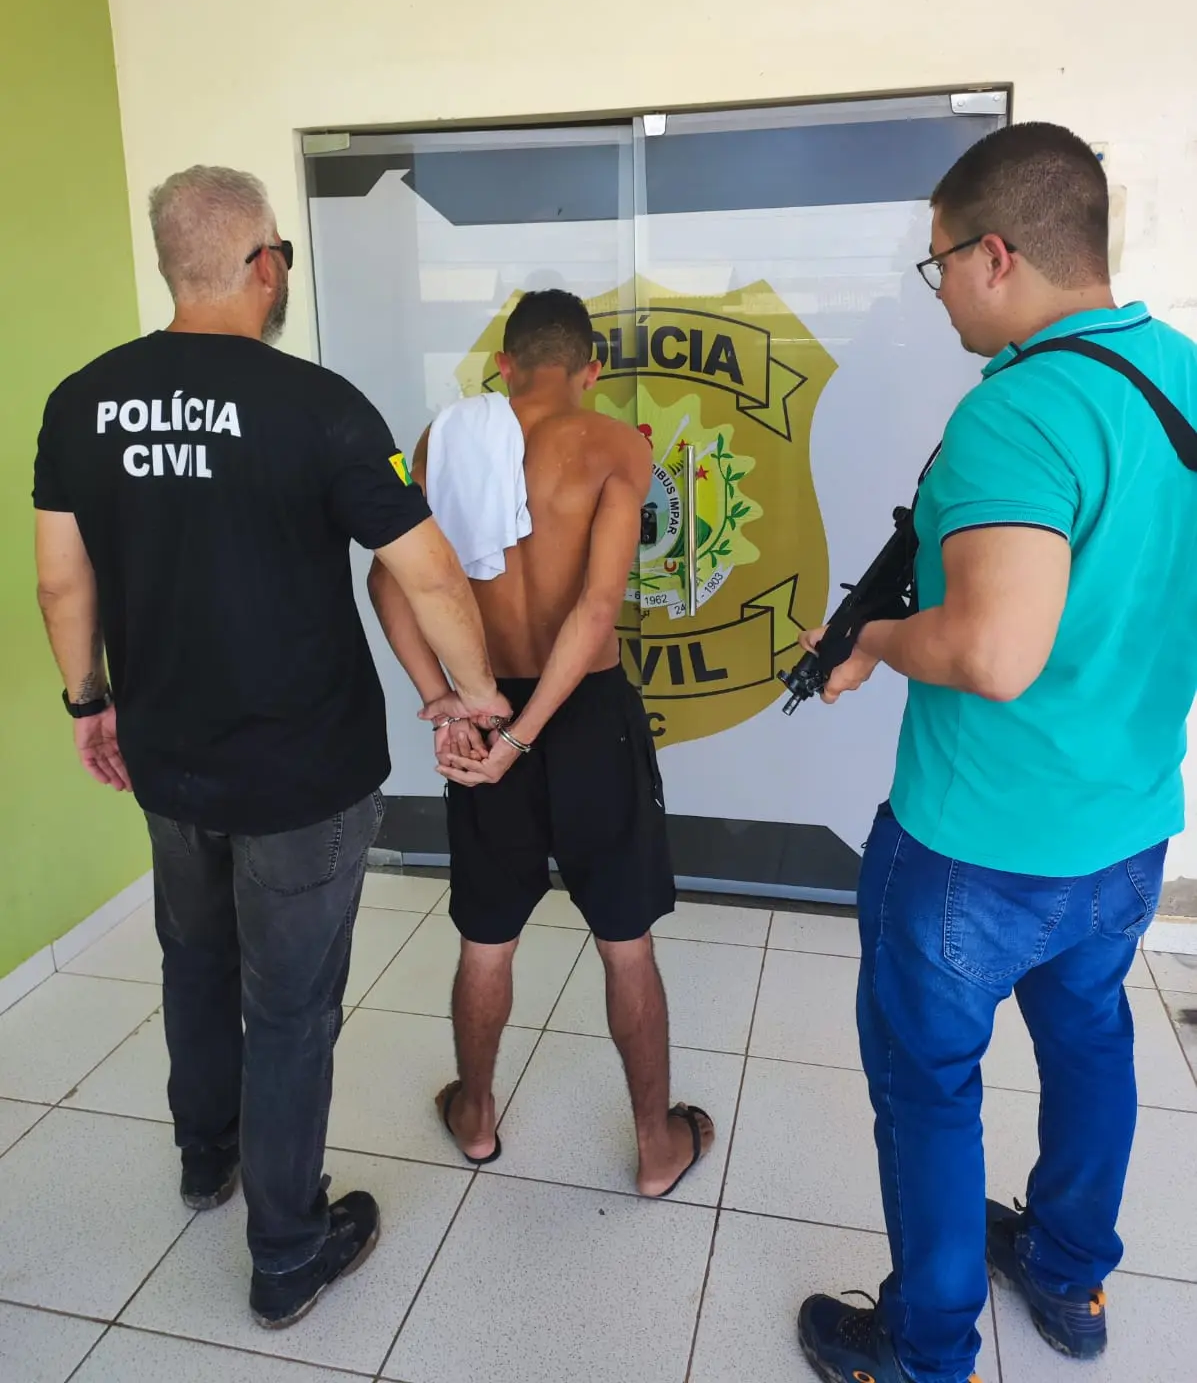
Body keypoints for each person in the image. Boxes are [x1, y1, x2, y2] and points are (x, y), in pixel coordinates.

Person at [32, 165, 509, 1330]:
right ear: (263, 264)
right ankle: (288, 1250)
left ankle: (208, 1158)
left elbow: (60, 579)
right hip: (303, 776)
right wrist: (477, 694)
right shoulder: (320, 406)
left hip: (167, 756)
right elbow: (426, 571)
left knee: (193, 961)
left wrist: (88, 701)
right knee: (289, 1008)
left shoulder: (82, 401)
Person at [795, 122, 1197, 1383]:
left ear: (997, 253)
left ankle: (924, 1355)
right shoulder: (1182, 376)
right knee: (1089, 1042)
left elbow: (990, 651)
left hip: (976, 844)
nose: (938, 293)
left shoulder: (1016, 413)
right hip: (1126, 827)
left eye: (938, 264)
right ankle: (1069, 1276)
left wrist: (876, 640)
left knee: (928, 1090)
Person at [369, 289, 715, 1196]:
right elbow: (596, 611)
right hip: (585, 713)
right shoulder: (613, 446)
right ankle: (656, 1148)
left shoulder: (446, 440)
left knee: (486, 940)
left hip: (486, 707)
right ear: (590, 369)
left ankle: (475, 1116)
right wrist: (525, 738)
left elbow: (386, 582)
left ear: (505, 365)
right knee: (625, 943)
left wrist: (446, 700)